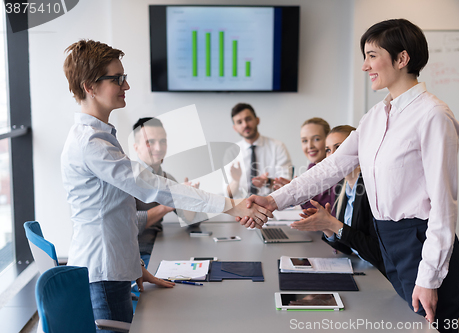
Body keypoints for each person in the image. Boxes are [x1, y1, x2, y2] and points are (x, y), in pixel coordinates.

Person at [243, 19, 459, 332]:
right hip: (386, 241)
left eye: (372, 55)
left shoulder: (433, 116)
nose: (365, 66)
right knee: (401, 324)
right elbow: (329, 169)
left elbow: (444, 208)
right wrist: (272, 200)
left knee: (433, 326)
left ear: (402, 59)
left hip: (420, 242)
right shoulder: (375, 117)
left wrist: (429, 278)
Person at [61, 40, 271, 329]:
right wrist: (230, 206)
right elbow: (153, 187)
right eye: (117, 78)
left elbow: (116, 213)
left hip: (114, 267)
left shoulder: (100, 137)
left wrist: (134, 265)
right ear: (90, 86)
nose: (126, 86)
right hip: (104, 272)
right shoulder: (91, 143)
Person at [290, 125, 386, 276]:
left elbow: (378, 253)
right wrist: (327, 228)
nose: (332, 156)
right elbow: (348, 247)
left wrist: (333, 224)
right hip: (359, 266)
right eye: (328, 150)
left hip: (379, 274)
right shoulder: (342, 186)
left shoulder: (371, 189)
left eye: (339, 148)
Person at [132, 117, 206, 267]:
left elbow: (194, 221)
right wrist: (170, 203)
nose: (159, 148)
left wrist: (191, 199)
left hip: (160, 248)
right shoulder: (128, 178)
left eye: (163, 141)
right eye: (150, 142)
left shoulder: (166, 178)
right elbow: (129, 223)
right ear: (136, 147)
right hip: (135, 257)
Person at [224, 103, 293, 198]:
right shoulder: (231, 152)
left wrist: (268, 182)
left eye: (248, 119)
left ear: (257, 120)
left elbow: (287, 186)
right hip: (242, 207)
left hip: (272, 204)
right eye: (239, 122)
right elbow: (228, 194)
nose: (245, 125)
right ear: (235, 128)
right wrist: (236, 181)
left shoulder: (277, 147)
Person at [273, 117, 335, 210]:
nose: (310, 146)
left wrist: (301, 194)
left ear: (328, 140)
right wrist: (298, 194)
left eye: (316, 139)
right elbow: (313, 211)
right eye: (305, 141)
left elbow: (329, 213)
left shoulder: (336, 170)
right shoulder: (312, 167)